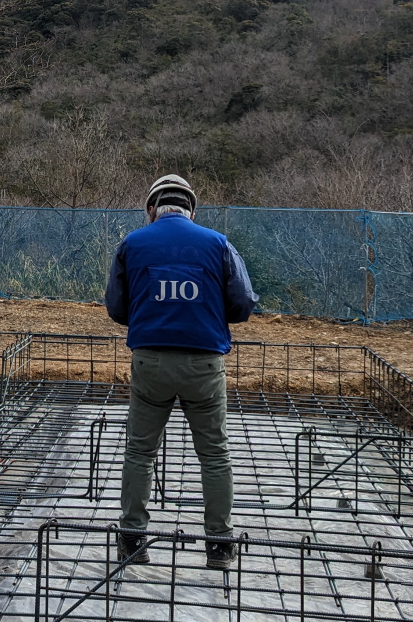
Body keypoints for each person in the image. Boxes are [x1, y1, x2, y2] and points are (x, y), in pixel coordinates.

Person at [104, 174, 259, 570]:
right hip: (204, 365)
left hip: (150, 362)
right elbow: (241, 305)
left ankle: (133, 541)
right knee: (215, 455)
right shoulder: (219, 244)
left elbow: (117, 309)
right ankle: (219, 546)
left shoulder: (131, 244)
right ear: (192, 208)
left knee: (140, 452)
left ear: (151, 208)